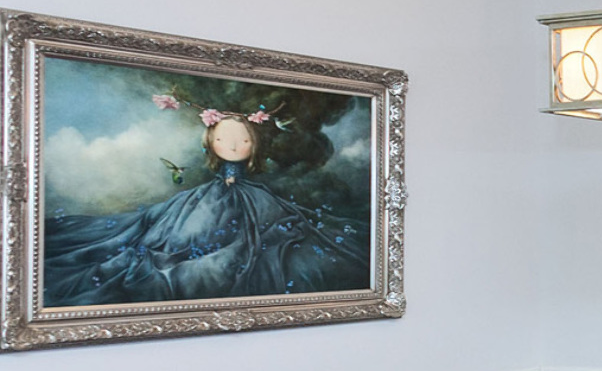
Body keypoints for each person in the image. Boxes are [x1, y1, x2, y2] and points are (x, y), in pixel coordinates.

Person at [42, 100, 369, 307]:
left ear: (252, 144)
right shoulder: (212, 168)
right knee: (187, 230)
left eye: (243, 140)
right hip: (213, 194)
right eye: (224, 139)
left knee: (270, 231)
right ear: (212, 142)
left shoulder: (252, 173)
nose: (234, 146)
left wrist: (235, 180)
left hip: (249, 195)